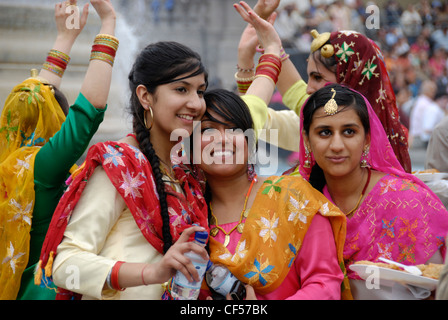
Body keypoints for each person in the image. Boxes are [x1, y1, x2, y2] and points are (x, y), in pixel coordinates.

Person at [190, 2, 349, 300]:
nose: (222, 140)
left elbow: (324, 284)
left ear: (252, 138)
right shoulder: (185, 212)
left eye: (235, 130)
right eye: (208, 130)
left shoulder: (293, 199)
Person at [36, 39, 210, 299]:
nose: (196, 104)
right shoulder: (119, 166)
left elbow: (239, 132)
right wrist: (151, 273)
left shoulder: (188, 173)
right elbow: (64, 265)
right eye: (182, 90)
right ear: (145, 96)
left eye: (201, 91)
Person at [0, 0, 117, 300]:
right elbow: (86, 114)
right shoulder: (40, 168)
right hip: (45, 290)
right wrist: (107, 26)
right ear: (56, 119)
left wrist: (65, 39)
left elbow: (35, 104)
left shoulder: (10, 166)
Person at [290, 83, 448, 299]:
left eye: (349, 132)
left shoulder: (407, 199)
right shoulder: (297, 203)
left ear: (366, 139)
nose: (337, 145)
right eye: (325, 132)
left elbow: (437, 285)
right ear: (307, 140)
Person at [236, 0, 412, 173]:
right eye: (325, 133)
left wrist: (270, 48)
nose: (308, 88)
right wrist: (252, 53)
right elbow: (255, 119)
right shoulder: (316, 124)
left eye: (318, 77)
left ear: (351, 81)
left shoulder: (375, 147)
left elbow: (255, 117)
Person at [409, 80, 445, 149]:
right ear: (427, 91)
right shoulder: (426, 104)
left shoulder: (421, 101)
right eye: (433, 90)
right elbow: (428, 127)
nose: (434, 93)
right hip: (420, 138)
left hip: (416, 137)